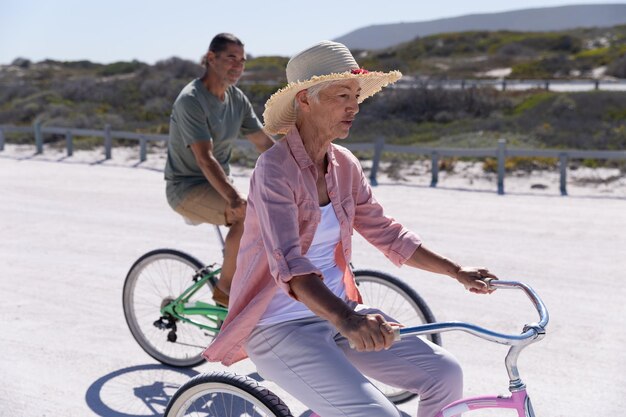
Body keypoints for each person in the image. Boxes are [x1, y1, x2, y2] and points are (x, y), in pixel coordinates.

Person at [204, 41, 497, 417]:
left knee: (445, 373)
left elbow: (387, 232)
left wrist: (456, 271)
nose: (354, 106)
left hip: (339, 314)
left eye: (356, 96)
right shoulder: (275, 170)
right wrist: (347, 317)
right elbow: (290, 266)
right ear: (304, 101)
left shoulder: (344, 164)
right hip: (280, 326)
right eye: (342, 95)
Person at [164, 33, 274, 307]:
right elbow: (205, 158)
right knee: (246, 215)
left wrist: (301, 168)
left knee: (274, 213)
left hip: (219, 184)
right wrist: (234, 199)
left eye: (242, 60)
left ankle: (245, 281)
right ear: (211, 58)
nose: (238, 65)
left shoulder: (237, 99)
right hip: (187, 189)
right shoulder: (191, 100)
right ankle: (225, 292)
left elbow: (264, 144)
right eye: (231, 58)